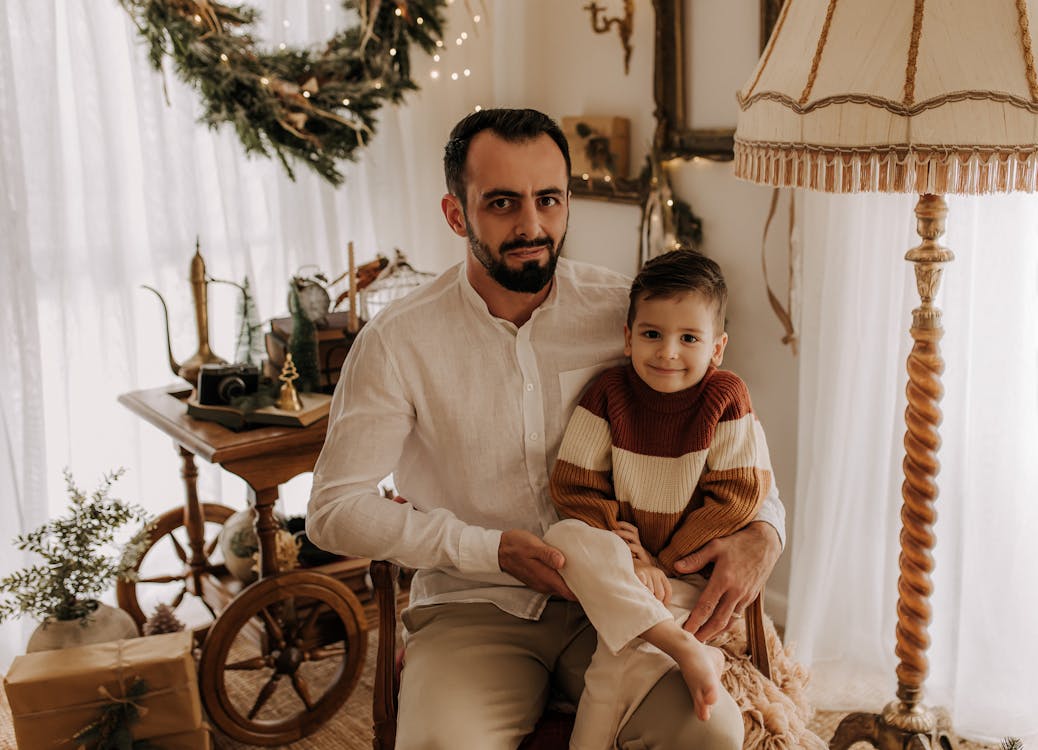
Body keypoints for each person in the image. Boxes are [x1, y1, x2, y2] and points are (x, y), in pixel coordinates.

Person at [306, 108, 785, 750]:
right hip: (476, 607)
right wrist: (490, 549)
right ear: (456, 214)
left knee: (710, 733)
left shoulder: (630, 314)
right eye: (502, 203)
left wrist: (766, 530)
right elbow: (334, 510)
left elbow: (730, 433)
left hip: (629, 606)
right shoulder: (397, 341)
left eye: (548, 200)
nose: (531, 225)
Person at [544, 249, 772, 749]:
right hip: (623, 571)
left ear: (717, 348)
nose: (667, 352)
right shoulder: (608, 394)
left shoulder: (727, 395)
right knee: (562, 537)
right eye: (652, 334)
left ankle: (680, 651)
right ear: (628, 338)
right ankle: (687, 652)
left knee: (615, 662)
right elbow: (574, 487)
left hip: (686, 576)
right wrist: (627, 555)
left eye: (688, 338)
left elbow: (738, 495)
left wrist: (661, 562)